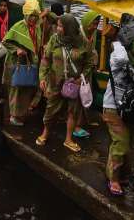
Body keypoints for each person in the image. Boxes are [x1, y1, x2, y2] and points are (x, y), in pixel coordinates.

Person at [102, 33, 134, 197]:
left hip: (132, 108)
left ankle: (119, 173)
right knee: (121, 143)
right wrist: (119, 43)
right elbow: (120, 60)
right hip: (114, 108)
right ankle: (114, 178)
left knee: (127, 143)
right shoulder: (118, 56)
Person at [36, 13, 92, 152]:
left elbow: (89, 63)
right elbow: (46, 59)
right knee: (51, 109)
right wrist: (42, 77)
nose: (58, 28)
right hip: (55, 80)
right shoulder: (54, 40)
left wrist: (82, 77)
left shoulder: (83, 42)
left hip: (74, 83)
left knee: (73, 111)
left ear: (69, 28)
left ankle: (68, 139)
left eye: (61, 26)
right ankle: (45, 133)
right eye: (58, 25)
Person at [2, 0, 44, 125]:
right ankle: (14, 116)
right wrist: (17, 49)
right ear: (26, 15)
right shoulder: (18, 26)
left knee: (26, 88)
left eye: (35, 16)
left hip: (30, 63)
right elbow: (5, 41)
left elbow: (36, 43)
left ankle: (21, 113)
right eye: (31, 16)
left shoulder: (36, 28)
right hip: (17, 63)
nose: (33, 19)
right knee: (16, 89)